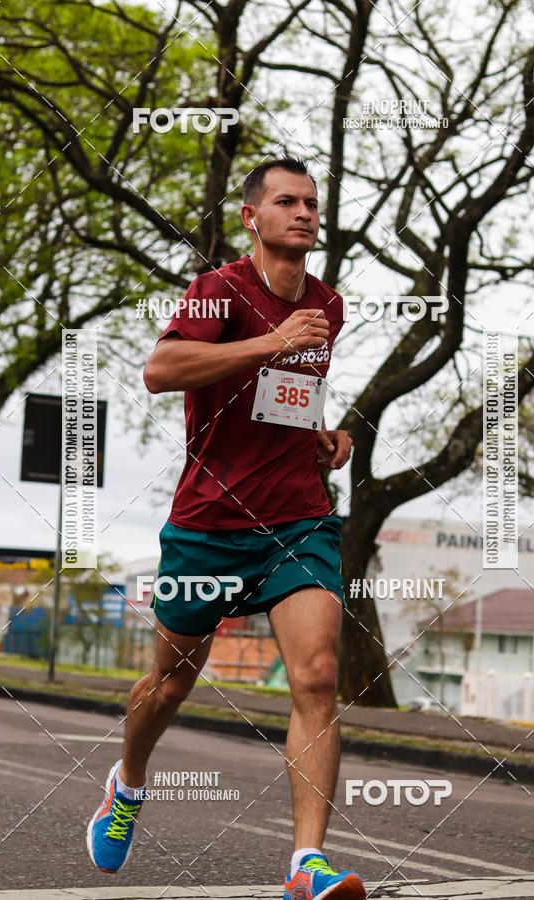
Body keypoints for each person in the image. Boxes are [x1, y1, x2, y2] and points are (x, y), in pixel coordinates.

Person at [87, 157, 365, 900]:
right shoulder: (218, 292)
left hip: (297, 521)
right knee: (173, 683)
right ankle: (129, 782)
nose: (303, 213)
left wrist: (325, 435)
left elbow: (286, 397)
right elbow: (162, 367)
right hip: (208, 524)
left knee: (316, 677)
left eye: (311, 202)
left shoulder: (327, 305)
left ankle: (306, 865)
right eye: (286, 201)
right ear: (252, 217)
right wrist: (268, 343)